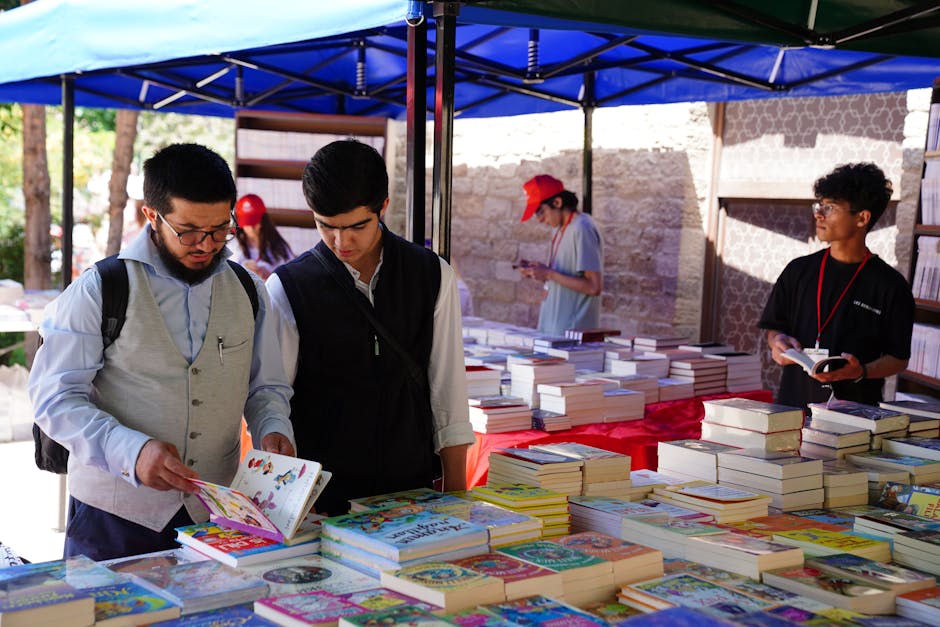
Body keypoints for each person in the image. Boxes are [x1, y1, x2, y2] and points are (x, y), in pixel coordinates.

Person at [28, 143, 296, 561]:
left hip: (215, 515)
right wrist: (130, 451)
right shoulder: (101, 288)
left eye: (220, 228)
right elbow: (53, 398)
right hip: (112, 519)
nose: (206, 245)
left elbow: (266, 388)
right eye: (188, 230)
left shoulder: (249, 291)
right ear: (151, 216)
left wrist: (274, 428)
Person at [266, 139, 474, 515]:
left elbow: (449, 395)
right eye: (325, 226)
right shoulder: (287, 288)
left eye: (357, 226)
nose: (341, 241)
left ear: (383, 208)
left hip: (412, 497)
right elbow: (273, 400)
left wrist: (457, 500)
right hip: (321, 503)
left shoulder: (431, 275)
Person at [758, 162, 914, 409]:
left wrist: (860, 370)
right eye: (819, 206)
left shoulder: (891, 285)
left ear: (862, 218)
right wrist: (778, 342)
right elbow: (774, 328)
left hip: (856, 418)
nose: (819, 214)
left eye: (830, 208)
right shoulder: (797, 271)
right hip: (791, 411)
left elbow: (898, 359)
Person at [517, 174, 603, 336]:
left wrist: (549, 273)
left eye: (540, 212)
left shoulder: (582, 228)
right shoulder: (558, 228)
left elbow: (593, 286)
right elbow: (562, 276)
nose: (540, 220)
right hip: (551, 333)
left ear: (557, 202)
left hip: (572, 338)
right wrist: (539, 272)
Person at [230, 193, 295, 280]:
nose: (251, 227)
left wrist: (270, 276)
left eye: (254, 221)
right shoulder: (233, 247)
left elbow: (292, 277)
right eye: (247, 222)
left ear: (263, 220)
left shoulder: (279, 248)